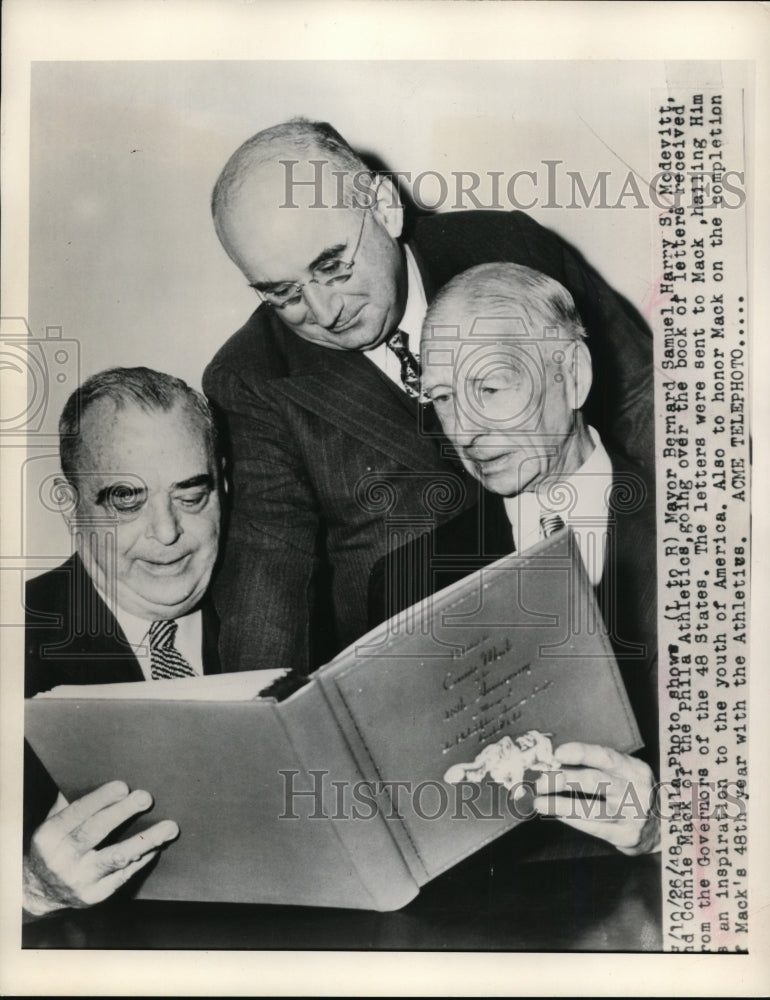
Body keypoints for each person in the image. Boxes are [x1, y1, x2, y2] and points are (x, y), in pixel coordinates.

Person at [204, 117, 655, 676]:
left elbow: (647, 405)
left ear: (385, 207)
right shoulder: (254, 376)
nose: (324, 313)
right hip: (424, 668)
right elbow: (266, 576)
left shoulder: (509, 246)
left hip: (615, 598)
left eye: (332, 266)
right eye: (284, 294)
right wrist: (258, 720)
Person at [368, 263, 659, 855]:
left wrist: (668, 828)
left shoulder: (714, 533)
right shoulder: (407, 582)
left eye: (491, 388)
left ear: (572, 376)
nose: (467, 431)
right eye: (444, 399)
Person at [24, 367, 224, 918]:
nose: (166, 533)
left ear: (223, 483)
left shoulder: (294, 613)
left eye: (191, 494)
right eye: (126, 500)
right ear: (71, 502)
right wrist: (30, 891)